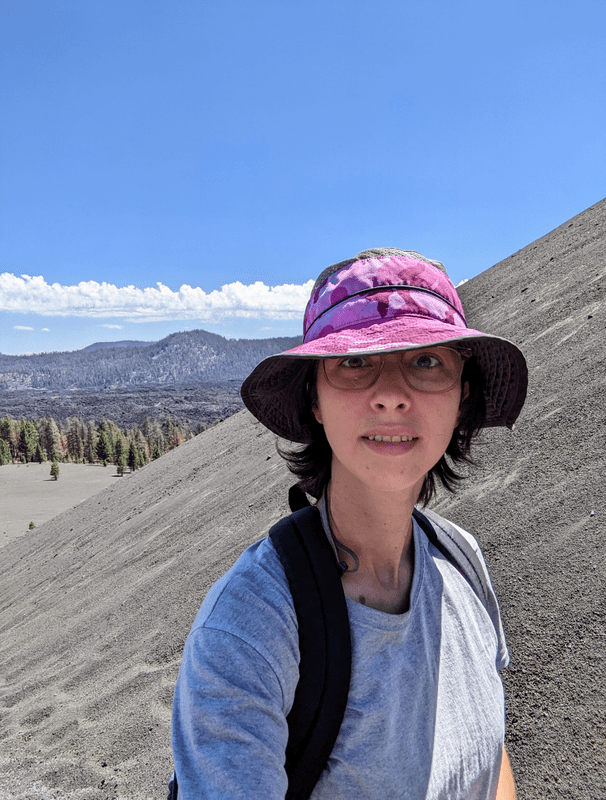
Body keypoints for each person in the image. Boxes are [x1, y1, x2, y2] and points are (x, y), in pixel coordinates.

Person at [171, 248, 527, 799]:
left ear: (462, 396)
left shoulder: (462, 559)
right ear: (314, 396)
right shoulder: (250, 627)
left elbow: (490, 759)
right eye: (354, 362)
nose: (390, 395)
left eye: (427, 361)